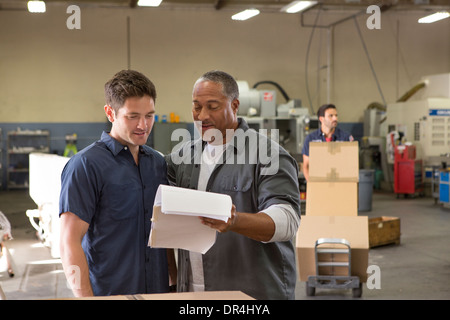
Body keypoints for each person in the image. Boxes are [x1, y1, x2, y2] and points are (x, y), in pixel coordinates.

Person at [166, 70, 301, 300]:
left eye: (213, 106)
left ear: (235, 105)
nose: (202, 115)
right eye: (197, 107)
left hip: (251, 294)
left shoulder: (269, 155)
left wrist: (236, 221)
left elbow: (287, 220)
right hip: (192, 293)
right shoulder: (182, 157)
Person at [59, 70, 174, 297]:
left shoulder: (157, 163)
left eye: (149, 115)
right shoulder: (85, 165)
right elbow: (68, 241)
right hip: (111, 291)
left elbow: (162, 229)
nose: (143, 125)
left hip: (157, 290)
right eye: (132, 116)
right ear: (110, 113)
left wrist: (173, 281)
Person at [301, 104, 354, 181]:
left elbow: (352, 165)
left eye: (336, 115)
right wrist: (312, 185)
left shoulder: (345, 138)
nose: (335, 118)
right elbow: (306, 166)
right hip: (318, 183)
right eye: (331, 116)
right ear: (321, 119)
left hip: (341, 184)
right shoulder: (311, 139)